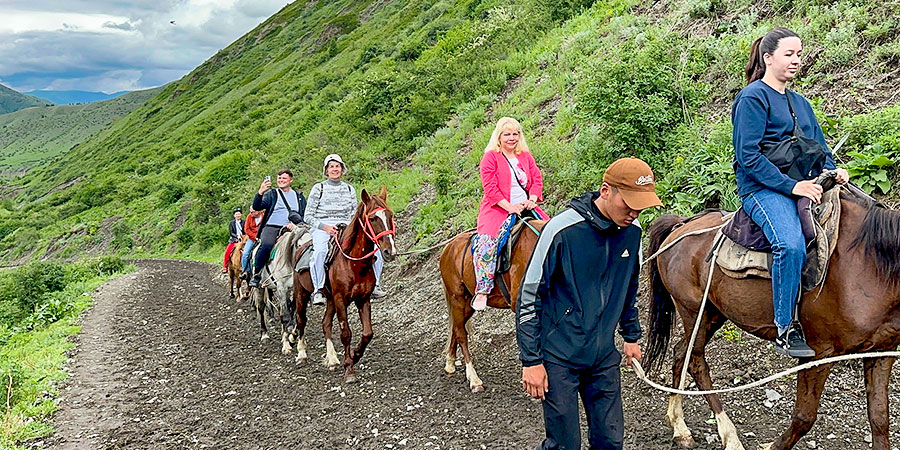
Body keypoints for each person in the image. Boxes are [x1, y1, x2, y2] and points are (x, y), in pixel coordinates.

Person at [516, 157, 661, 450]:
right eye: (628, 204)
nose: (634, 212)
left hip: (603, 356)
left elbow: (628, 289)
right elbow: (529, 296)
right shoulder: (560, 230)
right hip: (559, 357)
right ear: (606, 191)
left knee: (610, 441)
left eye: (641, 206)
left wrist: (631, 336)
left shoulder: (632, 233)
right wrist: (531, 360)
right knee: (564, 444)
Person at [733, 27, 849, 358]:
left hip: (807, 182)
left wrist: (833, 169)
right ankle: (785, 327)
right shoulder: (752, 98)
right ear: (768, 58)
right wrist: (792, 186)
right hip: (763, 188)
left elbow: (818, 147)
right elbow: (748, 157)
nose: (796, 60)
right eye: (789, 54)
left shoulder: (800, 102)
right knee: (791, 244)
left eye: (799, 54)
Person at [471, 117, 548, 311]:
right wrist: (509, 207)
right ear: (499, 136)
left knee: (553, 232)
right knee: (487, 243)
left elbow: (537, 179)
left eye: (515, 134)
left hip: (527, 206)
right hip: (497, 208)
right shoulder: (490, 157)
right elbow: (490, 188)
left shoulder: (525, 156)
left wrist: (532, 198)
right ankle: (483, 289)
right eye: (507, 134)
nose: (512, 138)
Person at [304, 154, 385, 306]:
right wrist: (325, 227)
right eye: (332, 167)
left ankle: (376, 285)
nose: (335, 169)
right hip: (324, 225)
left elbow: (354, 213)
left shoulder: (349, 189)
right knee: (320, 251)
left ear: (342, 169)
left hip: (347, 225)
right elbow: (307, 216)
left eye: (338, 166)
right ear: (326, 170)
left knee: (375, 250)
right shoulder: (318, 188)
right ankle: (318, 290)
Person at [248, 170, 307, 287]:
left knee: (308, 243)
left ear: (291, 180)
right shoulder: (272, 194)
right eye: (279, 178)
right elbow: (257, 206)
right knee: (266, 245)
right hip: (272, 226)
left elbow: (305, 214)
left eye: (284, 178)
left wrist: (296, 224)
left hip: (294, 227)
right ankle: (257, 273)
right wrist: (260, 192)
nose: (281, 180)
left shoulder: (299, 196)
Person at [240, 208, 264, 279]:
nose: (251, 213)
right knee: (245, 253)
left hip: (263, 237)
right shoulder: (249, 217)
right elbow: (246, 229)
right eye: (250, 212)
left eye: (253, 212)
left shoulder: (264, 216)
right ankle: (245, 270)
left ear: (258, 211)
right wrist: (255, 237)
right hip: (251, 238)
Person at [222, 208, 244, 273]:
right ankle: (225, 266)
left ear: (241, 215)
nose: (238, 215)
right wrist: (237, 237)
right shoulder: (231, 223)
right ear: (234, 215)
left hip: (243, 239)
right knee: (227, 252)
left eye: (239, 214)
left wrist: (243, 237)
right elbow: (231, 232)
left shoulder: (244, 222)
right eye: (236, 214)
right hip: (234, 240)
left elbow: (245, 230)